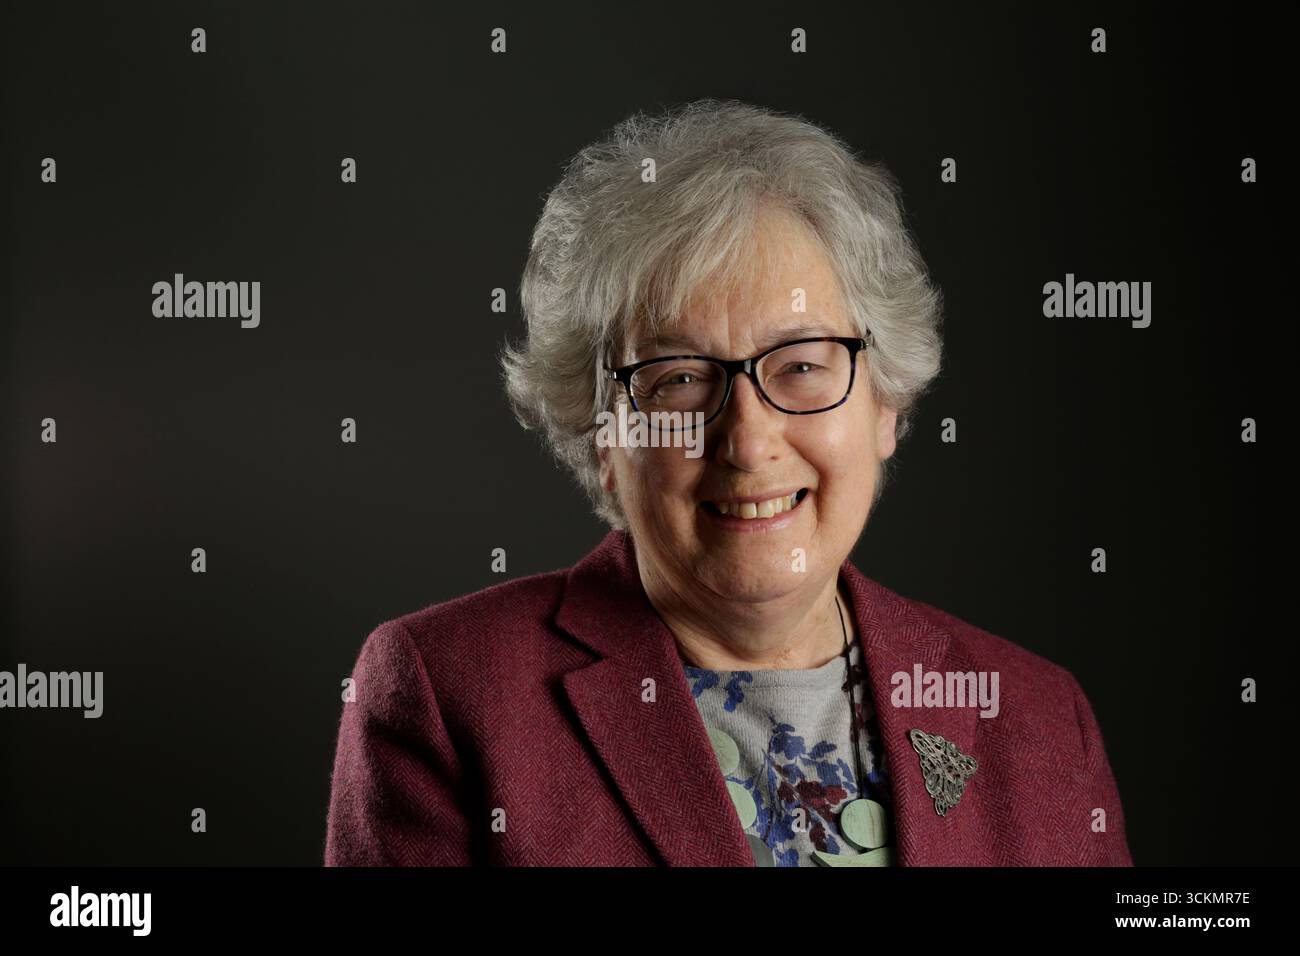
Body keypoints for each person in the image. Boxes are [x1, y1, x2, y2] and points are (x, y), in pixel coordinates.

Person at [324, 98, 1132, 866]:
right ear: (600, 433)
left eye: (805, 365)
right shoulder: (447, 695)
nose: (747, 441)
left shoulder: (1037, 715)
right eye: (678, 380)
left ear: (886, 403)